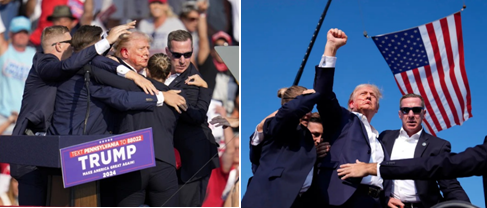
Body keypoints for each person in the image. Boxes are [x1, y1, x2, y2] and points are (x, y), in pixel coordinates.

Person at [11, 22, 135, 206]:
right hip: (31, 155)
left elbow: (87, 59)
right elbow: (69, 65)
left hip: (52, 153)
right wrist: (106, 41)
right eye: (71, 42)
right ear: (59, 46)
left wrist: (129, 71)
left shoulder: (70, 68)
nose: (75, 46)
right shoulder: (44, 62)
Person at [310, 28, 391, 207]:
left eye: (373, 95)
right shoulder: (343, 119)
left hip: (377, 202)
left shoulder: (380, 139)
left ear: (377, 108)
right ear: (351, 103)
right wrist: (331, 49)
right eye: (363, 94)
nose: (368, 96)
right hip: (344, 197)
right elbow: (323, 94)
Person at [379, 93, 470, 208]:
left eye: (416, 110)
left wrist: (465, 206)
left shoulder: (438, 146)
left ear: (424, 113)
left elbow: (449, 185)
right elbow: (374, 174)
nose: (411, 115)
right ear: (400, 114)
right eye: (406, 110)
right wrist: (384, 198)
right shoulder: (385, 138)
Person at [165, 29, 219, 207]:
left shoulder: (194, 82)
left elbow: (197, 116)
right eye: (177, 55)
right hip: (173, 158)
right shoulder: (162, 72)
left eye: (187, 55)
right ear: (167, 52)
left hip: (193, 160)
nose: (182, 60)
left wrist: (164, 96)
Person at [242, 86, 319, 208]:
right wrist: (311, 96)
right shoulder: (280, 125)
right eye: (306, 108)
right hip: (270, 199)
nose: (307, 115)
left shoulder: (305, 137)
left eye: (310, 109)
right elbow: (291, 111)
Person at [0, 16, 36, 135]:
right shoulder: (4, 51)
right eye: (17, 32)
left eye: (24, 32)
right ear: (10, 34)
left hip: (25, 118)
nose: (21, 35)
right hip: (4, 115)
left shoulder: (35, 56)